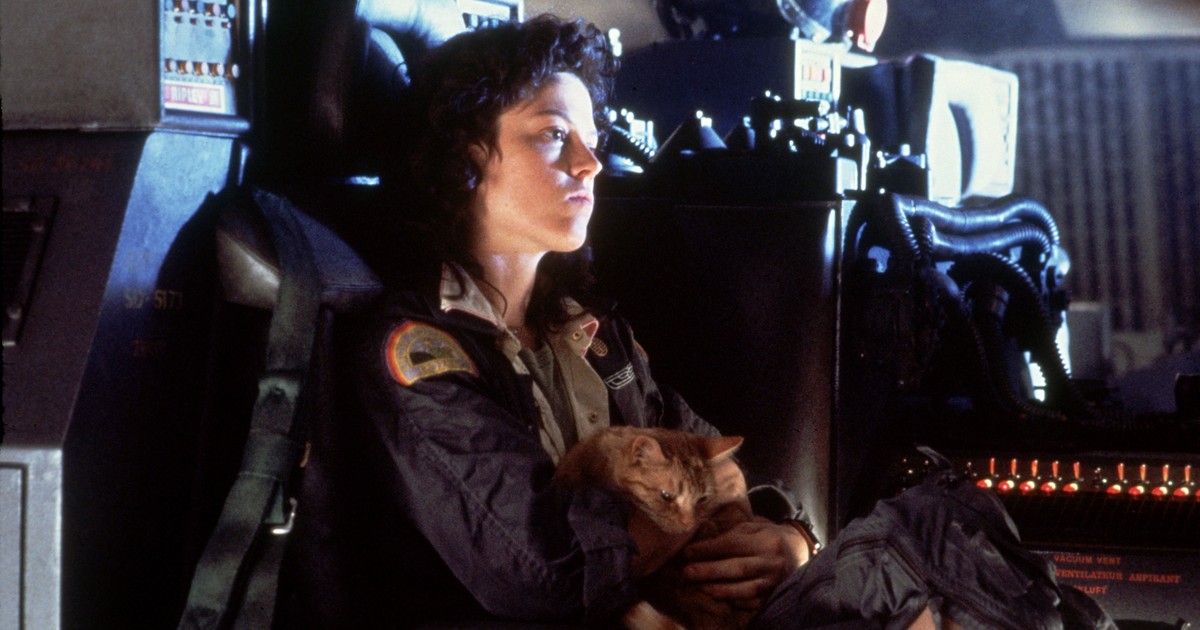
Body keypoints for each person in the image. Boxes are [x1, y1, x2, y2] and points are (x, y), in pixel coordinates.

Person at [276, 14, 814, 629]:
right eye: (555, 135)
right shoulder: (416, 352)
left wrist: (787, 538)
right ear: (468, 156)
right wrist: (699, 518)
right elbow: (546, 565)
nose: (590, 163)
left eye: (592, 139)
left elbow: (713, 456)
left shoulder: (590, 333)